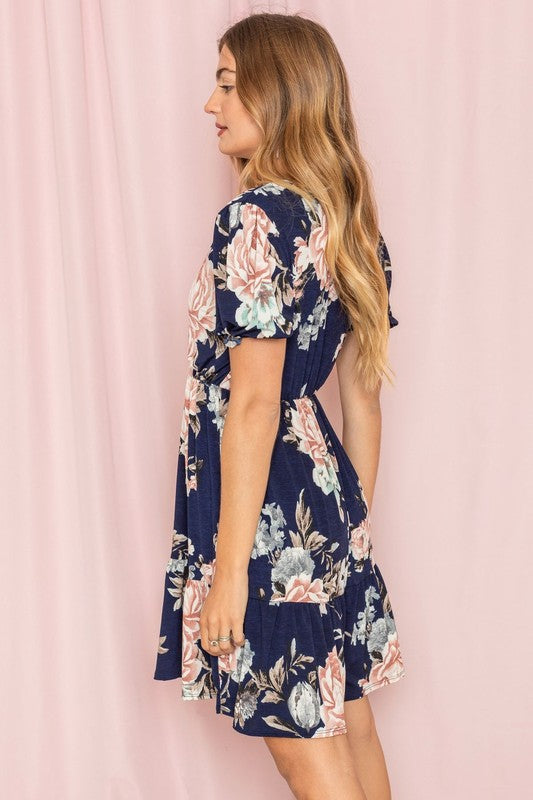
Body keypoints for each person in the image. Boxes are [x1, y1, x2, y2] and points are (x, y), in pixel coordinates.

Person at [153, 11, 406, 800]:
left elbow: (255, 405)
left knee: (303, 743)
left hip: (267, 515)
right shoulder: (351, 227)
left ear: (280, 92)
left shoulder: (254, 220)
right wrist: (353, 528)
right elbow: (361, 400)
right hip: (324, 502)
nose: (209, 103)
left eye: (227, 83)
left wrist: (230, 573)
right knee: (348, 718)